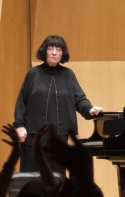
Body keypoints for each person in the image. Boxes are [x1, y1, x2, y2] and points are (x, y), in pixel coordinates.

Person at [13, 35, 103, 173]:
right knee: (32, 177)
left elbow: (79, 98)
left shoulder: (68, 75)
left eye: (58, 49)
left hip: (59, 137)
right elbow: (21, 101)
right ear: (45, 52)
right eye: (50, 48)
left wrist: (90, 109)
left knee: (56, 178)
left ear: (63, 53)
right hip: (33, 134)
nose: (54, 52)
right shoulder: (33, 73)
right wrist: (19, 125)